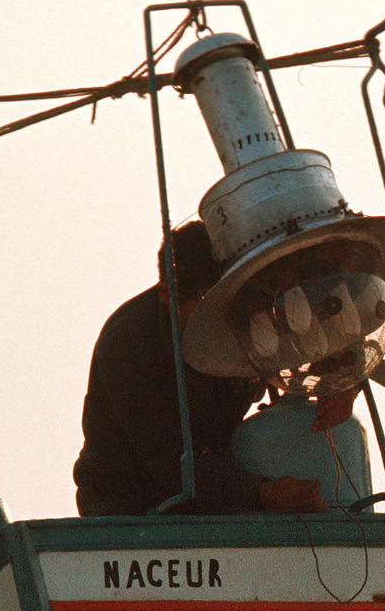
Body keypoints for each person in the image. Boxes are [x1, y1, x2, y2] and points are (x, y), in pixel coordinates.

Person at [74, 222, 327, 517]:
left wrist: (340, 382)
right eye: (205, 305)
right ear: (168, 296)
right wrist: (259, 493)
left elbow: (321, 332)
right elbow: (166, 460)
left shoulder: (245, 315)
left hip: (222, 490)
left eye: (228, 302)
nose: (221, 320)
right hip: (127, 505)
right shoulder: (129, 343)